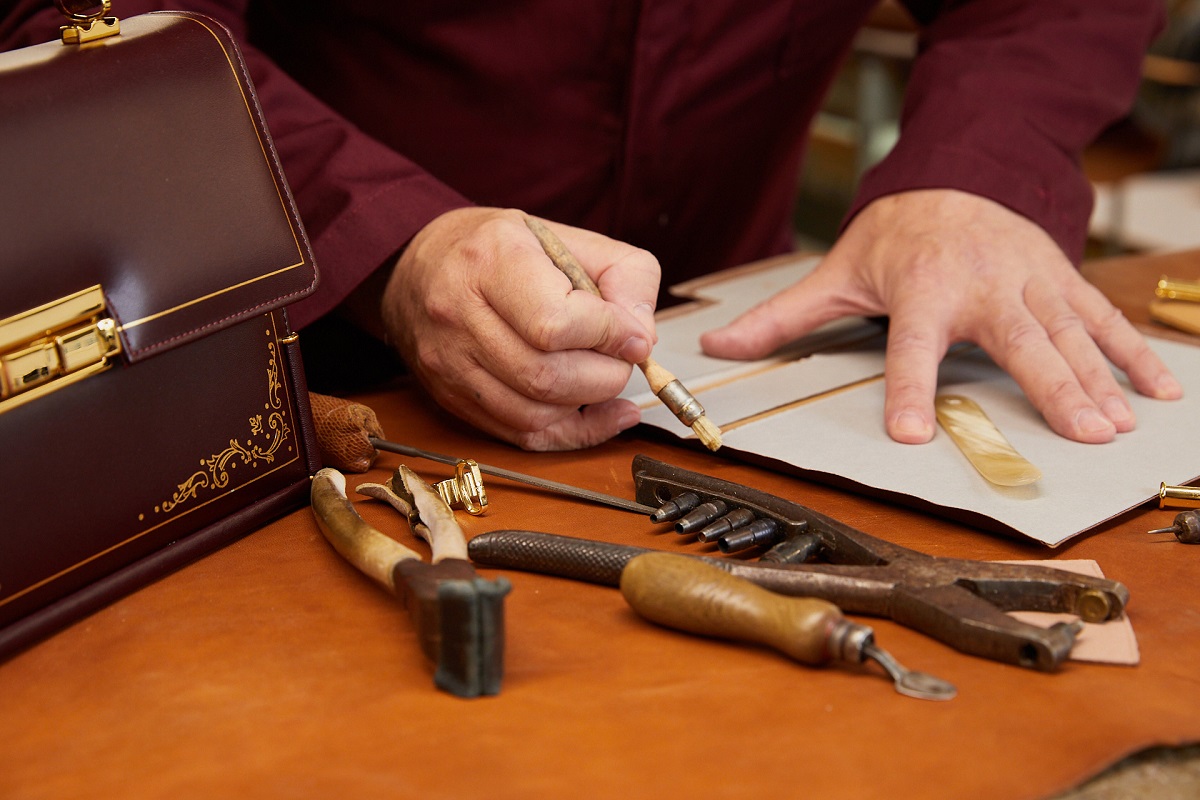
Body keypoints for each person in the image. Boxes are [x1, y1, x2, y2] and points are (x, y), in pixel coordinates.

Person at [1, 1, 1182, 451]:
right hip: (302, 386)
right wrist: (395, 244)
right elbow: (95, 21)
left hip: (729, 365)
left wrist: (975, 168)